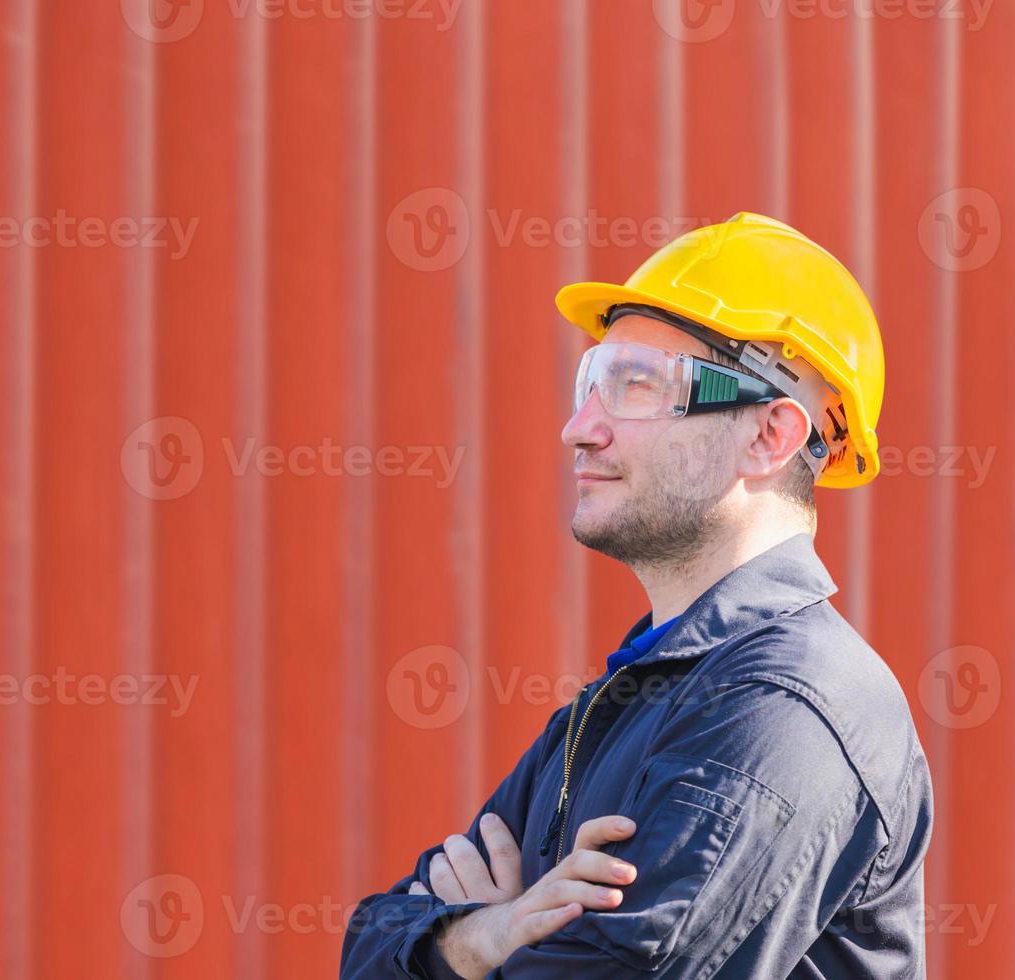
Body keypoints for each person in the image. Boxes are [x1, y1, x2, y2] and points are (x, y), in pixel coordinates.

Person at [340, 212, 933, 978]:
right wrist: (478, 937)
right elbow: (369, 939)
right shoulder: (632, 696)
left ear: (770, 435)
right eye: (593, 381)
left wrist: (490, 943)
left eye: (637, 386)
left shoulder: (787, 708)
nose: (579, 428)